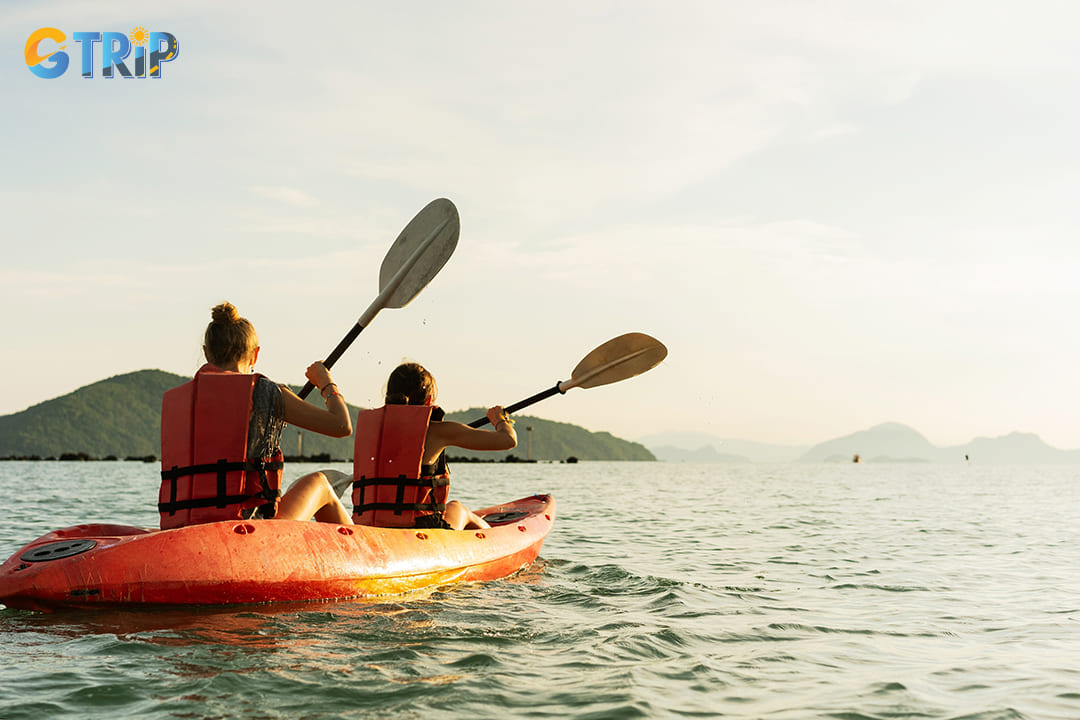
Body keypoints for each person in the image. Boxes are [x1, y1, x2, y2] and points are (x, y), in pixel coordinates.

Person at [158, 302, 353, 529]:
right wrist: (325, 383)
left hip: (182, 527)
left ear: (206, 352)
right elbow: (341, 426)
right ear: (255, 354)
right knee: (319, 484)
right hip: (248, 530)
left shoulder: (180, 399)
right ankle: (367, 550)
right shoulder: (264, 392)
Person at [352, 362, 517, 530]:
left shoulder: (373, 431)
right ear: (429, 399)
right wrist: (499, 419)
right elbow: (508, 440)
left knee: (453, 508)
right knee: (457, 508)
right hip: (423, 528)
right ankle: (496, 538)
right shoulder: (438, 431)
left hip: (372, 527)